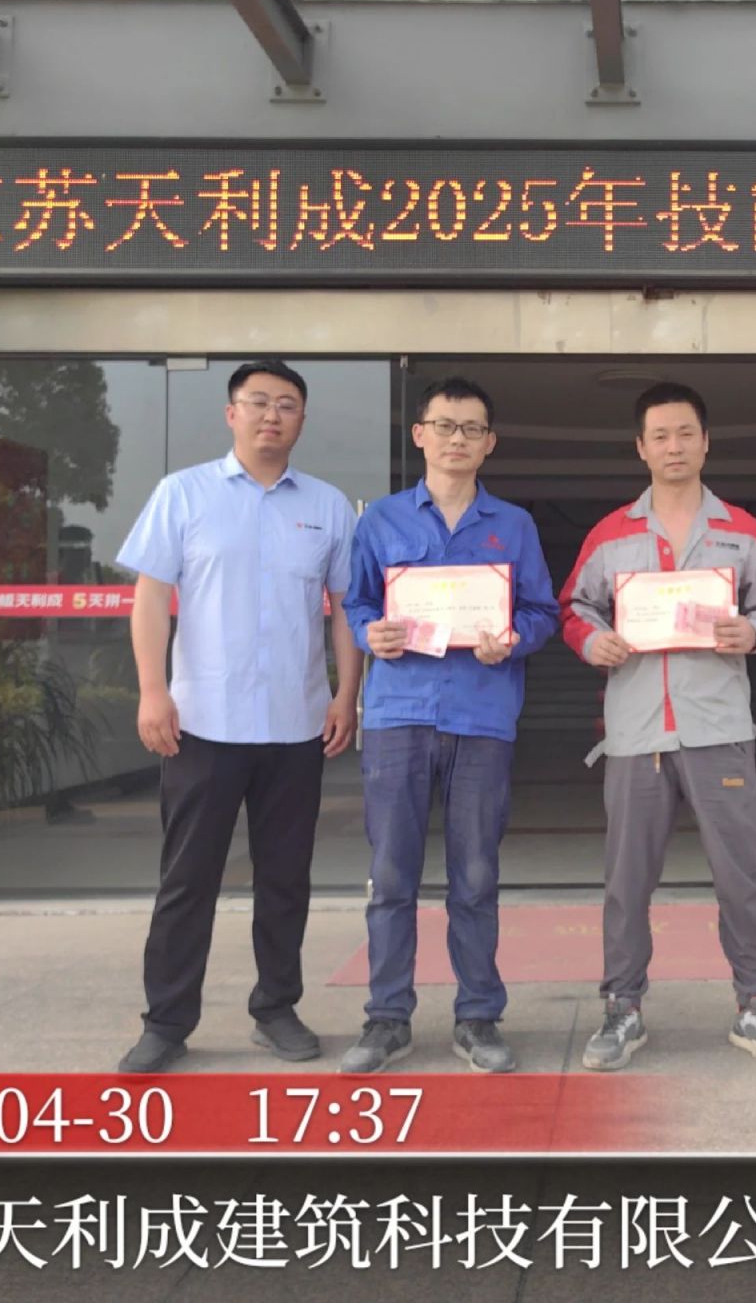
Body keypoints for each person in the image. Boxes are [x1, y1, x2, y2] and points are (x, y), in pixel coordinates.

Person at [114, 361, 360, 1073]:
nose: (271, 415)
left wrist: (346, 694)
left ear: (302, 421)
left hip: (296, 724)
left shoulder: (327, 505)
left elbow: (345, 608)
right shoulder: (183, 493)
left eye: (287, 405)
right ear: (232, 414)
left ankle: (276, 1008)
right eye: (258, 402)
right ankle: (166, 1022)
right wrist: (152, 691)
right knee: (187, 880)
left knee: (285, 879)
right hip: (202, 724)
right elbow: (150, 598)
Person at [559, 382, 756, 1070]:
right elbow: (574, 608)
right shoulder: (611, 533)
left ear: (705, 442)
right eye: (660, 436)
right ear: (641, 448)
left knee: (740, 875)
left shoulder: (740, 529)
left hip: (718, 728)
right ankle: (622, 1008)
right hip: (637, 733)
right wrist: (592, 641)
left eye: (686, 433)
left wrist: (753, 632)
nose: (674, 446)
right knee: (626, 881)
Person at [338, 377, 559, 1075]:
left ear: (489, 442)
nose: (456, 439)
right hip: (398, 716)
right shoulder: (380, 521)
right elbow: (356, 604)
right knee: (390, 875)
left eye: (471, 428)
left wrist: (512, 640)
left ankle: (478, 1016)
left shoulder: (513, 526)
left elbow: (542, 613)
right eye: (444, 425)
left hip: (482, 716)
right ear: (420, 435)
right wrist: (371, 633)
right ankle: (387, 1017)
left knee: (476, 874)